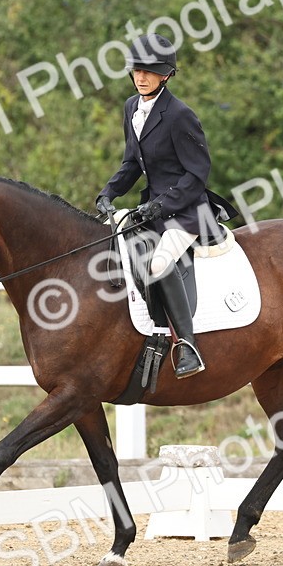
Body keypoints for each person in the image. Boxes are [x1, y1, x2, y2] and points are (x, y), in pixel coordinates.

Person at [96, 33, 237, 379]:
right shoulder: (131, 108)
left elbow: (196, 175)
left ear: (166, 75)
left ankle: (187, 346)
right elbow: (132, 163)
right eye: (137, 70)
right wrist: (108, 193)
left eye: (150, 71)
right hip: (153, 209)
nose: (141, 77)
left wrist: (160, 206)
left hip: (186, 212)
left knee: (158, 263)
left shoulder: (179, 115)